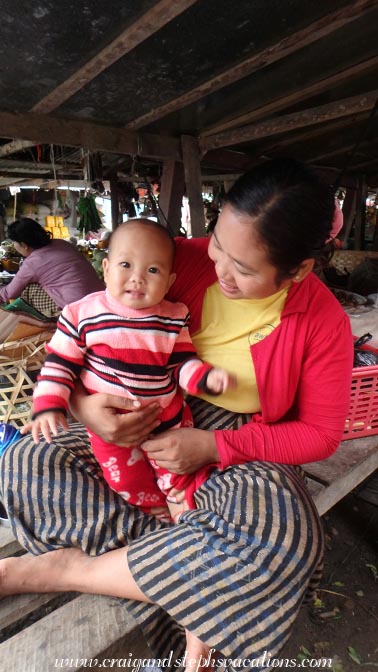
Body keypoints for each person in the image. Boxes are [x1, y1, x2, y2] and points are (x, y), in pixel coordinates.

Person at [0, 159, 353, 670]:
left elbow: (320, 435)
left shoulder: (322, 321)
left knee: (284, 539)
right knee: (28, 463)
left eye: (244, 268)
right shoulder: (170, 259)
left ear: (298, 269)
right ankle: (194, 579)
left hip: (243, 443)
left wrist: (214, 447)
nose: (220, 270)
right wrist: (84, 408)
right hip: (137, 416)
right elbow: (88, 337)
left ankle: (58, 570)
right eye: (217, 245)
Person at [27, 219, 234, 522]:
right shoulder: (82, 314)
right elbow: (60, 364)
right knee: (124, 480)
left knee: (180, 471)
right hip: (111, 428)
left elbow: (181, 364)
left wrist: (205, 378)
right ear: (106, 268)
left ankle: (181, 504)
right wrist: (47, 404)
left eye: (153, 270)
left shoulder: (173, 317)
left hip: (167, 421)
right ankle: (153, 511)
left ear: (169, 280)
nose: (137, 278)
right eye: (126, 265)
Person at [0, 218, 104, 316]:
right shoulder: (62, 243)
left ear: (24, 245)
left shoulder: (32, 263)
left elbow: (8, 293)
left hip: (78, 309)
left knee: (29, 290)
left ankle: (54, 320)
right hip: (101, 299)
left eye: (14, 243)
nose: (14, 246)